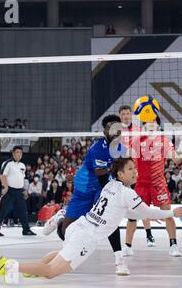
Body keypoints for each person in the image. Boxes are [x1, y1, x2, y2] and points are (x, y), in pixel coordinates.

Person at [0, 158, 182, 284]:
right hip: (86, 237)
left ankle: (32, 268)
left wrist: (149, 214)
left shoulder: (110, 186)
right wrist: (172, 213)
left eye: (135, 168)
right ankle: (8, 266)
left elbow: (130, 213)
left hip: (79, 226)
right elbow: (143, 211)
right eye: (130, 169)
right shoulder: (127, 193)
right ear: (120, 174)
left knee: (61, 254)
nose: (135, 172)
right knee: (50, 273)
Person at [43, 115, 129, 276]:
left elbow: (123, 172)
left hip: (102, 187)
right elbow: (101, 176)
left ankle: (119, 260)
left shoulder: (122, 149)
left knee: (109, 216)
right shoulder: (97, 148)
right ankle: (61, 217)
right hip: (86, 186)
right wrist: (115, 191)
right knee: (66, 234)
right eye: (110, 127)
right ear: (105, 130)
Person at [123, 116, 182, 257]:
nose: (152, 123)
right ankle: (127, 246)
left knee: (168, 214)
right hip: (141, 184)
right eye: (149, 121)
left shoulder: (164, 141)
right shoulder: (136, 141)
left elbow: (176, 159)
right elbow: (126, 160)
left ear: (158, 125)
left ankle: (173, 245)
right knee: (132, 217)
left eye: (154, 121)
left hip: (158, 184)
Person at [119, 105, 155, 247]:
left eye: (128, 113)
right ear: (120, 115)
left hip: (136, 173)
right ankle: (125, 242)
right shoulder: (117, 131)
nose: (126, 116)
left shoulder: (139, 131)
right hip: (122, 174)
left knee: (142, 205)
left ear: (131, 115)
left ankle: (149, 235)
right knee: (125, 206)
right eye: (123, 114)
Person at [0, 146, 36, 237]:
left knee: (23, 210)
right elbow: (2, 175)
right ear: (13, 153)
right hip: (9, 191)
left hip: (19, 191)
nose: (19, 154)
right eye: (17, 152)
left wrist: (24, 190)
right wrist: (5, 187)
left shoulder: (22, 165)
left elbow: (22, 179)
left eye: (21, 152)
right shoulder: (7, 163)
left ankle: (26, 230)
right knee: (3, 211)